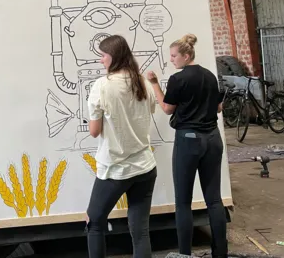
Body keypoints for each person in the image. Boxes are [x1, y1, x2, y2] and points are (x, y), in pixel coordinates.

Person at [147, 34, 227, 258]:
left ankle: (185, 254)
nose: (171, 60)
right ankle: (220, 253)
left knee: (183, 202)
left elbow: (167, 109)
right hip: (213, 138)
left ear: (186, 55)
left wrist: (154, 83)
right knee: (214, 200)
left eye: (174, 56)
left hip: (189, 140)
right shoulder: (210, 76)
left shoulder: (178, 79)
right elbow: (218, 108)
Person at [87, 35, 157, 258]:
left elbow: (94, 131)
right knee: (140, 231)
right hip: (145, 167)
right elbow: (148, 113)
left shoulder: (102, 86)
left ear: (114, 57)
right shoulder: (143, 82)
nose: (101, 60)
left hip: (115, 169)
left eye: (103, 55)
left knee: (94, 222)